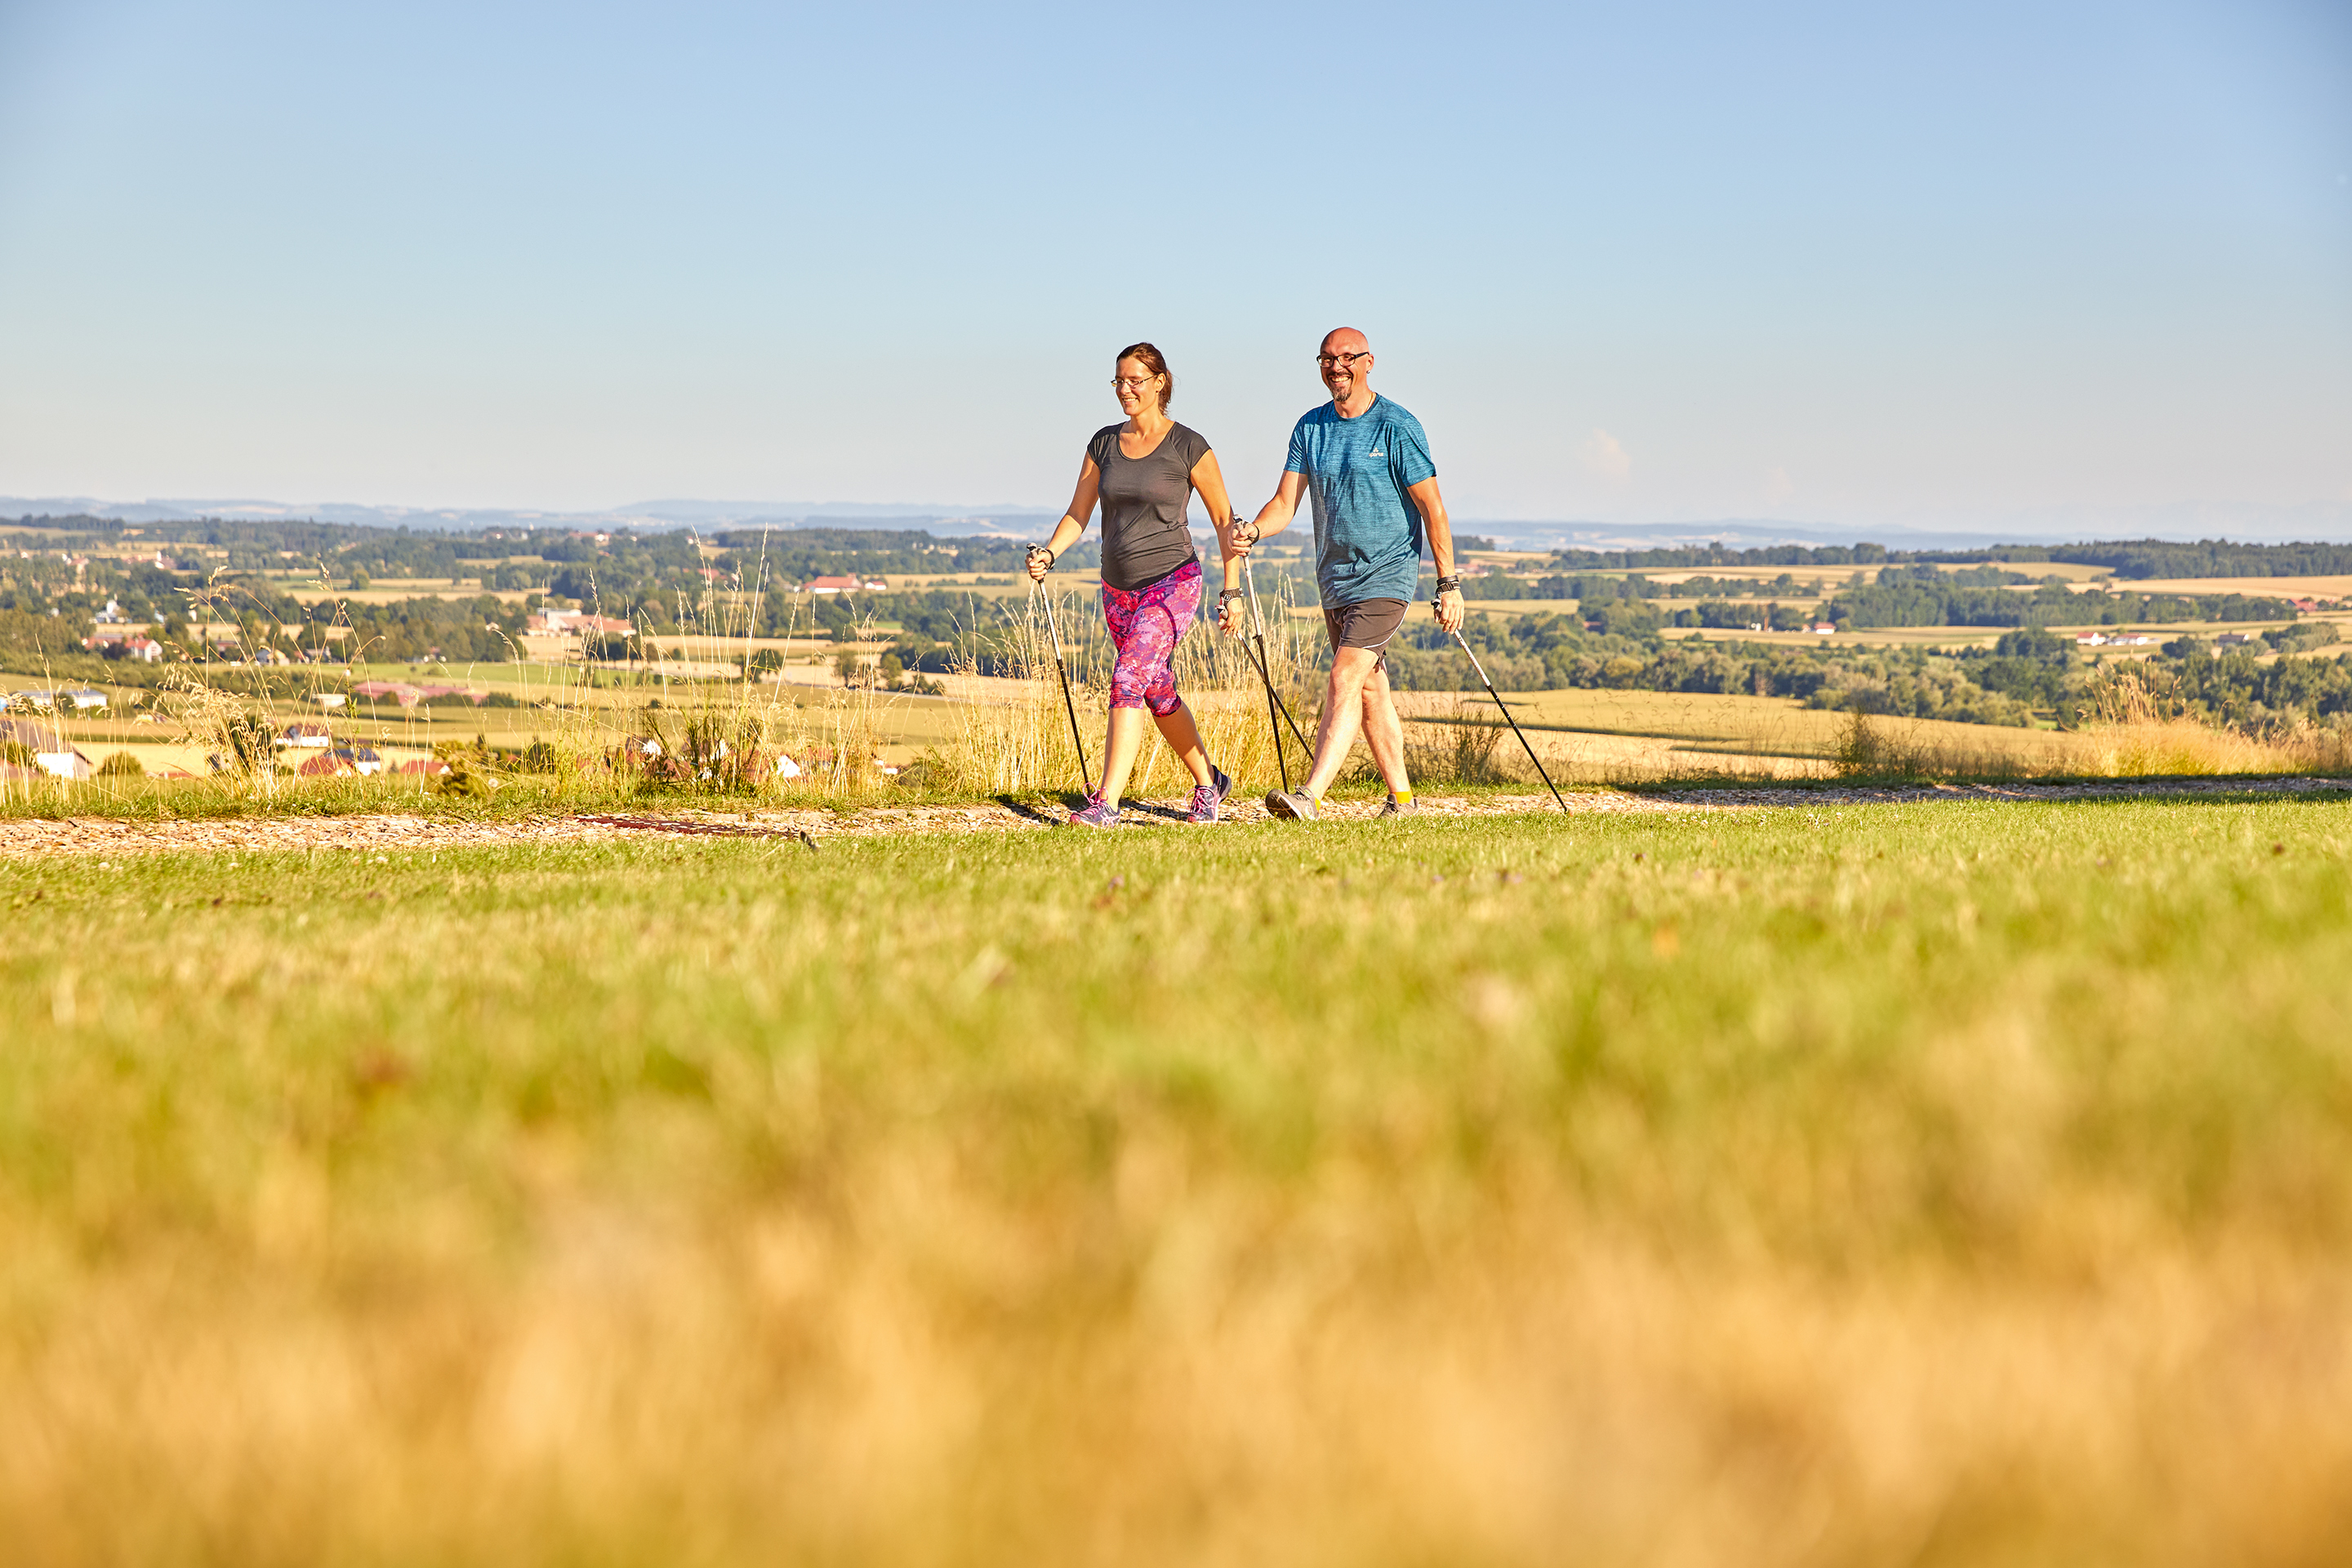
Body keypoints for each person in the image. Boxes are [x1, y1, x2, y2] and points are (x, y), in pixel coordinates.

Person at [1221, 327, 1463, 821]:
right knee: (1370, 688)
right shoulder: (1311, 428)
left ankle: (1310, 796)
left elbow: (1433, 509)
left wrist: (1447, 583)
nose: (1338, 367)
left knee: (1343, 675)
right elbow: (1285, 503)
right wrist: (1255, 532)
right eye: (1328, 359)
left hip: (1387, 575)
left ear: (1369, 362)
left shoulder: (1397, 426)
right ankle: (1403, 801)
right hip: (1335, 579)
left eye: (1348, 358)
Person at [1027, 342, 1238, 827]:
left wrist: (1231, 590)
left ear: (1160, 382)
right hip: (1117, 589)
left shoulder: (1188, 446)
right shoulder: (1103, 444)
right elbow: (1078, 512)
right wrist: (1049, 553)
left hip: (1173, 583)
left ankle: (1106, 803)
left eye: (1135, 380)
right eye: (1119, 381)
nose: (1125, 389)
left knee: (1126, 681)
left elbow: (1224, 518)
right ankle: (1210, 783)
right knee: (1156, 690)